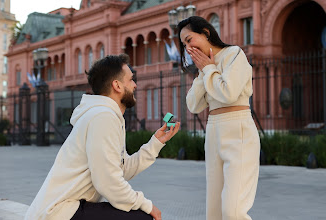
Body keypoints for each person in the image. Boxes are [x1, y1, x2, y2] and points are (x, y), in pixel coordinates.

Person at [25, 54, 180, 220]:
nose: (135, 85)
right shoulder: (103, 117)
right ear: (117, 85)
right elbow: (108, 182)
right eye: (131, 80)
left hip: (70, 208)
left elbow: (121, 170)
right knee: (142, 217)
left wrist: (155, 143)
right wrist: (146, 205)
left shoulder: (104, 115)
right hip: (59, 212)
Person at [177, 16, 260, 220]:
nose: (187, 47)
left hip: (237, 129)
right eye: (184, 44)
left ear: (205, 33)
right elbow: (194, 105)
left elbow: (228, 93)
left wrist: (208, 69)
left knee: (233, 211)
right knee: (214, 211)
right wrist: (203, 71)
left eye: (189, 40)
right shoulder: (206, 68)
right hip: (213, 131)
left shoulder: (234, 54)